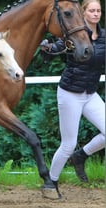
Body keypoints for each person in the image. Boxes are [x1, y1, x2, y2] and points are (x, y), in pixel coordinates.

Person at [40, 0, 105, 195]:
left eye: (98, 11)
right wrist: (47, 48)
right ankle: (50, 183)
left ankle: (81, 156)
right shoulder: (74, 35)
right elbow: (58, 46)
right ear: (83, 13)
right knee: (68, 143)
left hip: (90, 94)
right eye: (91, 10)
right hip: (70, 93)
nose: (95, 14)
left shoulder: (104, 37)